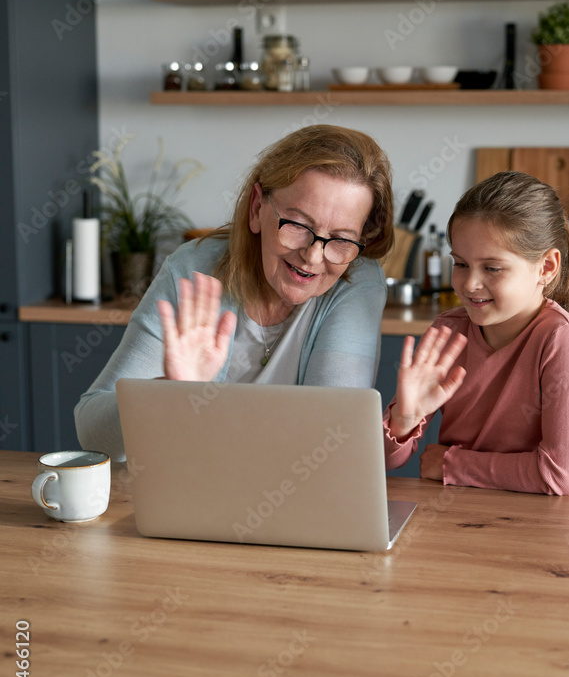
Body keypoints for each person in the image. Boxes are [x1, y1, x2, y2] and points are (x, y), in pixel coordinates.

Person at [75, 124, 394, 461]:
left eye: (342, 239)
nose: (313, 257)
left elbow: (330, 441)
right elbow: (93, 433)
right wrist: (167, 394)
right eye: (298, 225)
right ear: (257, 207)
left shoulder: (357, 281)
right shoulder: (193, 267)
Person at [383, 170, 569, 496]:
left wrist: (450, 465)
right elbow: (387, 460)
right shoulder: (448, 330)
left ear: (546, 268)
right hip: (452, 512)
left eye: (492, 268)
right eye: (461, 264)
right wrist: (403, 418)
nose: (469, 284)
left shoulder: (561, 338)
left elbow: (559, 475)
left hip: (533, 525)